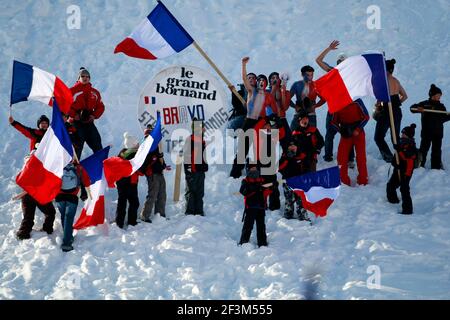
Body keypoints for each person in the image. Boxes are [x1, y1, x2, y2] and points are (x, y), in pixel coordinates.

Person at [229, 56, 278, 178]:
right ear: (257, 82)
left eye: (263, 80)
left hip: (262, 122)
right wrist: (243, 64)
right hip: (249, 121)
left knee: (262, 148)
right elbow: (244, 78)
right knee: (243, 148)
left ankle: (264, 172)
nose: (261, 82)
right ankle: (235, 173)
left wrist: (270, 123)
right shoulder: (251, 91)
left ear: (265, 83)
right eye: (259, 80)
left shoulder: (269, 96)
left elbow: (274, 113)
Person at [315, 40, 355, 167]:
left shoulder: (351, 76)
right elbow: (318, 60)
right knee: (330, 133)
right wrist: (328, 48)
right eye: (339, 62)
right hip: (334, 107)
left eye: (343, 62)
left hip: (344, 109)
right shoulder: (333, 72)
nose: (341, 64)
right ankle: (328, 157)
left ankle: (349, 159)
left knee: (347, 133)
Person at [374, 59, 408, 162]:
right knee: (395, 137)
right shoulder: (396, 81)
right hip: (397, 111)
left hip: (386, 112)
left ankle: (389, 157)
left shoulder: (383, 81)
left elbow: (379, 100)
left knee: (378, 137)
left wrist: (377, 108)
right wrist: (397, 103)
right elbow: (405, 96)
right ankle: (403, 156)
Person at [331, 99, 369, 186]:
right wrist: (341, 130)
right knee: (341, 158)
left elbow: (366, 116)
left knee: (361, 157)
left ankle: (363, 180)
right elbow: (333, 121)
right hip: (346, 132)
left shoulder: (357, 101)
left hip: (358, 132)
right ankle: (343, 180)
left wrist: (358, 129)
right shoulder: (337, 102)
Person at [410, 84, 450, 169]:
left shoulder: (441, 106)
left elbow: (444, 118)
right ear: (432, 95)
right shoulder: (424, 104)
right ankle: (420, 165)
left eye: (440, 95)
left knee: (437, 151)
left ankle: (436, 166)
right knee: (423, 150)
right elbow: (412, 109)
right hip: (426, 133)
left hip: (438, 133)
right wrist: (418, 107)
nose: (439, 96)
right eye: (438, 95)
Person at [68, 67, 105, 158]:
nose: (85, 78)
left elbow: (101, 106)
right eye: (82, 76)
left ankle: (101, 164)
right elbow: (65, 106)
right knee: (77, 146)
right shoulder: (71, 91)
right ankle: (73, 168)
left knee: (97, 143)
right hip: (75, 124)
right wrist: (74, 115)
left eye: (87, 76)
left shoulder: (95, 92)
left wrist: (94, 115)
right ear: (78, 78)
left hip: (88, 123)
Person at [139, 124, 169, 222]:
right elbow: (149, 159)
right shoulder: (146, 145)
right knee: (152, 194)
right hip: (152, 173)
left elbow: (159, 157)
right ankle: (144, 215)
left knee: (162, 194)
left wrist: (164, 165)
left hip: (159, 172)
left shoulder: (155, 144)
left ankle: (160, 215)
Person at [55, 161, 88, 252]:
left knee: (63, 216)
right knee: (68, 218)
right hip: (72, 197)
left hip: (59, 196)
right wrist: (84, 193)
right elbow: (83, 181)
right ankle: (67, 242)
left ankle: (68, 236)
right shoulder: (78, 168)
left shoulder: (58, 165)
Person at [386, 124, 419, 215]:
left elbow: (405, 157)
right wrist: (395, 163)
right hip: (398, 170)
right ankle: (393, 201)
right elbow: (396, 157)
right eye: (402, 134)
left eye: (404, 134)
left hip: (406, 171)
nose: (402, 135)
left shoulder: (411, 146)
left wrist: (399, 150)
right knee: (391, 185)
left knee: (404, 189)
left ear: (408, 135)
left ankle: (408, 210)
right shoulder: (401, 143)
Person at [239, 163, 271, 247]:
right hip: (250, 207)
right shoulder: (245, 181)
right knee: (248, 226)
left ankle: (262, 243)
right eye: (252, 169)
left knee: (261, 226)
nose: (254, 170)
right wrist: (254, 188)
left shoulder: (262, 180)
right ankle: (243, 242)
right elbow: (243, 191)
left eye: (255, 168)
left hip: (260, 207)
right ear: (248, 170)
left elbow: (266, 193)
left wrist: (271, 188)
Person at [115, 133, 141, 228]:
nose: (138, 145)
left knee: (122, 203)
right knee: (134, 202)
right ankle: (131, 222)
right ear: (132, 144)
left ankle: (119, 222)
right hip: (130, 182)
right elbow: (138, 170)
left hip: (121, 181)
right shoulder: (134, 155)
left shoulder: (122, 153)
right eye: (136, 143)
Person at [184, 119, 208, 216]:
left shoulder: (201, 140)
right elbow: (187, 158)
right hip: (193, 172)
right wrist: (189, 172)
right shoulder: (190, 139)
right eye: (203, 127)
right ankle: (190, 212)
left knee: (200, 193)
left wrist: (205, 166)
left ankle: (199, 212)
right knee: (191, 192)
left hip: (200, 172)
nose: (204, 129)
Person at [289, 65, 325, 130]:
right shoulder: (297, 84)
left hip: (311, 114)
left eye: (312, 75)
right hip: (298, 114)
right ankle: (268, 139)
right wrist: (295, 107)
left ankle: (269, 138)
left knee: (312, 137)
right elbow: (287, 99)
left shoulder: (316, 85)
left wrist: (315, 106)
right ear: (302, 75)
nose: (310, 77)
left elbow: (324, 99)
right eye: (308, 75)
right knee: (292, 136)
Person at [268, 71, 291, 150]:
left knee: (287, 140)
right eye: (273, 78)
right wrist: (274, 89)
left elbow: (285, 108)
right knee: (271, 144)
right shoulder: (266, 92)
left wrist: (283, 92)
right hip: (271, 120)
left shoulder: (286, 92)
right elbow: (268, 103)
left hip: (282, 119)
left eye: (277, 78)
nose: (275, 79)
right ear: (269, 81)